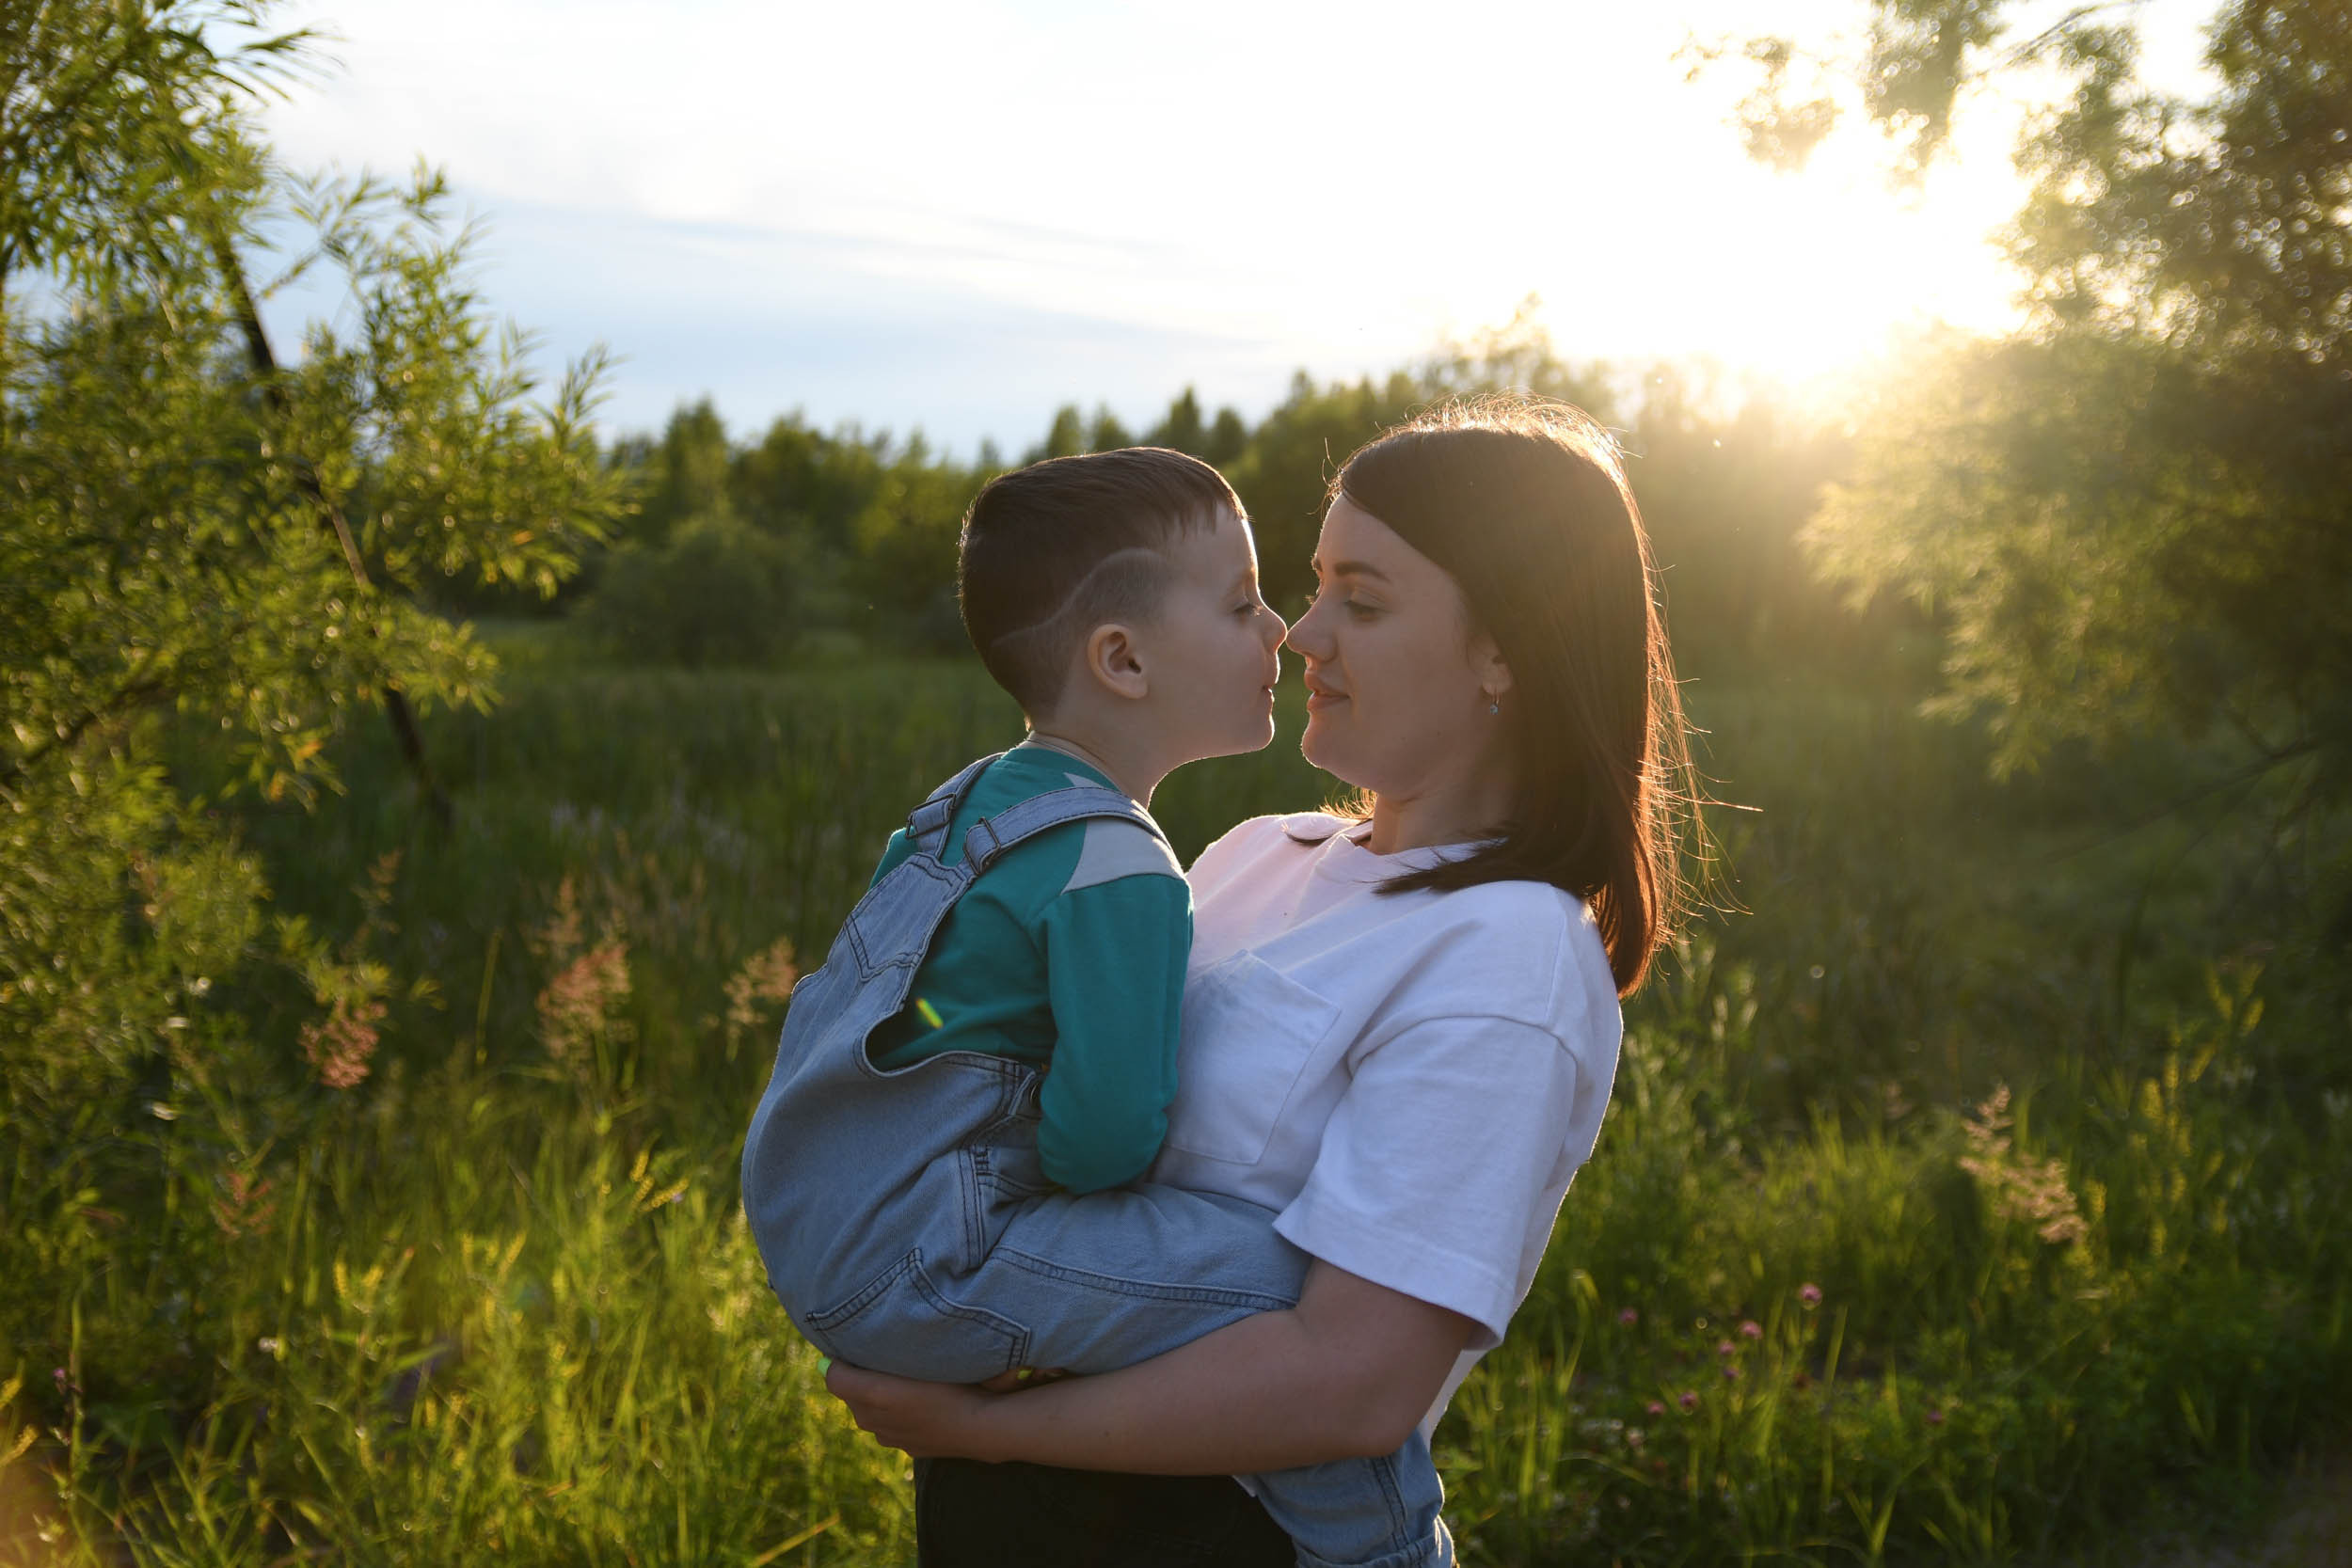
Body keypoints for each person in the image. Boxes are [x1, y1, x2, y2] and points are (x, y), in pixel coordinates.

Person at [823, 395, 1696, 1567]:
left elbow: (1355, 1384)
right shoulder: (1250, 853)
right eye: (1314, 584)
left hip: (1215, 1535)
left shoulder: (1507, 947)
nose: (1301, 633)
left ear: (1505, 647)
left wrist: (986, 1427)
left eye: (1363, 601)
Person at [739, 446, 1459, 1568]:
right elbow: (1111, 1128)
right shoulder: (1118, 866)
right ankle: (1387, 1551)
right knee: (1288, 1288)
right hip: (931, 1259)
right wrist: (1092, 1207)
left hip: (828, 1229)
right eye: (1240, 603)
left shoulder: (973, 804)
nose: (1281, 630)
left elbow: (922, 1015)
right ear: (1122, 659)